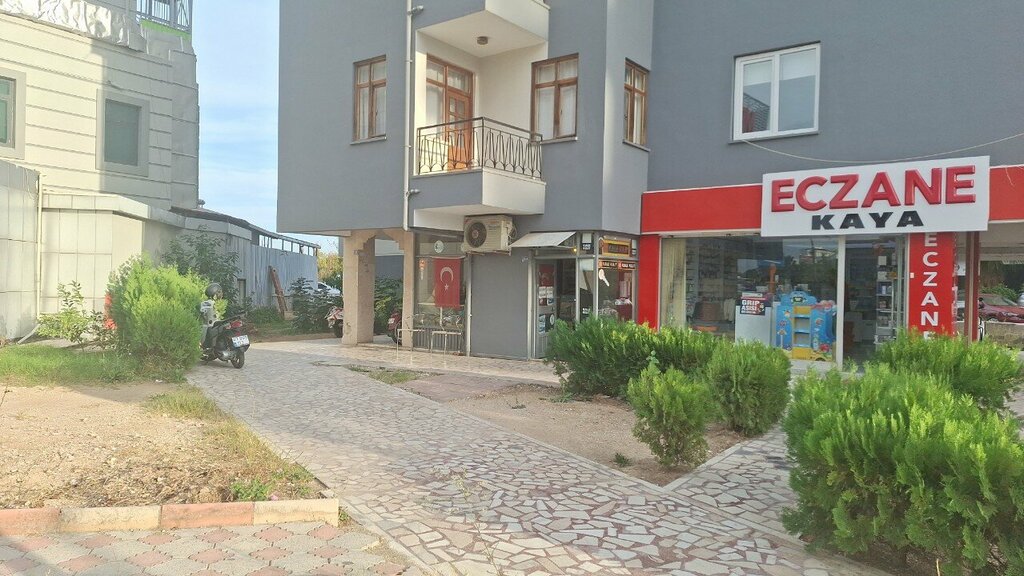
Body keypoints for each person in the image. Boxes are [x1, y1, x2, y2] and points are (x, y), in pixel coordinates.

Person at [199, 283, 221, 348]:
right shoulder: (213, 303)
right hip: (213, 327)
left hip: (205, 327)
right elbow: (214, 317)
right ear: (215, 294)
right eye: (219, 292)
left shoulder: (203, 303)